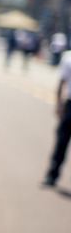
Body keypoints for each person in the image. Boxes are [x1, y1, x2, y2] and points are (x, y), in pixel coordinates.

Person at [42, 48, 71, 187]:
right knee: (61, 142)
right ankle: (52, 175)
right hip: (70, 105)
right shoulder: (68, 57)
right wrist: (58, 104)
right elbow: (61, 82)